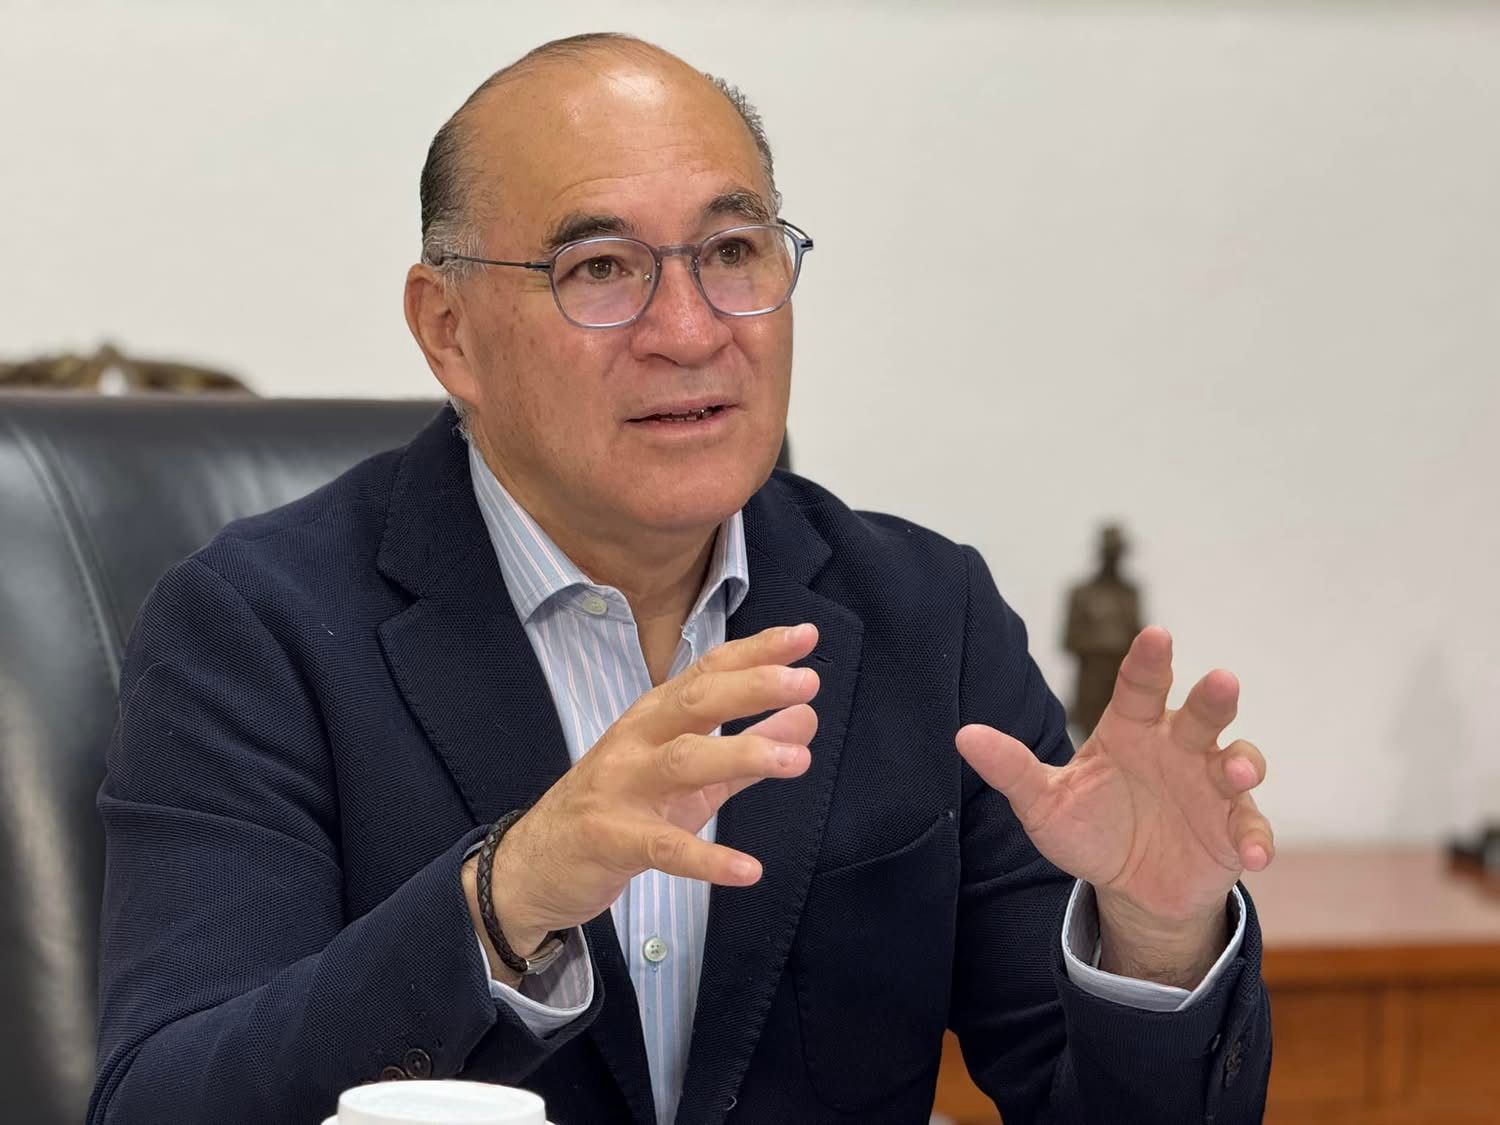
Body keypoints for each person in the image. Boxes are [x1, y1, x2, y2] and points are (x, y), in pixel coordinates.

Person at [90, 33, 1273, 1125]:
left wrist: (1153, 939)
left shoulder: (927, 615)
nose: (692, 331)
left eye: (731, 252)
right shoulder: (256, 632)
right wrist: (506, 898)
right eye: (602, 267)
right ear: (448, 329)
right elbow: (162, 1102)